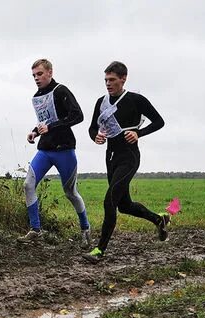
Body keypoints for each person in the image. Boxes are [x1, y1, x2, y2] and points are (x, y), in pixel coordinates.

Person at [83, 61, 170, 263]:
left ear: (123, 79)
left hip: (129, 157)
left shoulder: (136, 100)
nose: (108, 83)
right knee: (125, 205)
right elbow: (91, 128)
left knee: (109, 201)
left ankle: (99, 250)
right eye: (106, 80)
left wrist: (139, 133)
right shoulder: (101, 102)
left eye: (112, 80)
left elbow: (159, 121)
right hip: (111, 156)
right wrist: (95, 137)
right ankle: (159, 219)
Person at [18, 59, 90, 244]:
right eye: (33, 75)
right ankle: (36, 229)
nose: (36, 78)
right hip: (45, 150)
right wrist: (34, 132)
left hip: (64, 149)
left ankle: (85, 229)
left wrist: (52, 127)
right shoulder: (36, 96)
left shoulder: (61, 91)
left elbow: (78, 115)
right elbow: (45, 121)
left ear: (50, 72)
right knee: (28, 185)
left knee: (70, 192)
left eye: (40, 74)